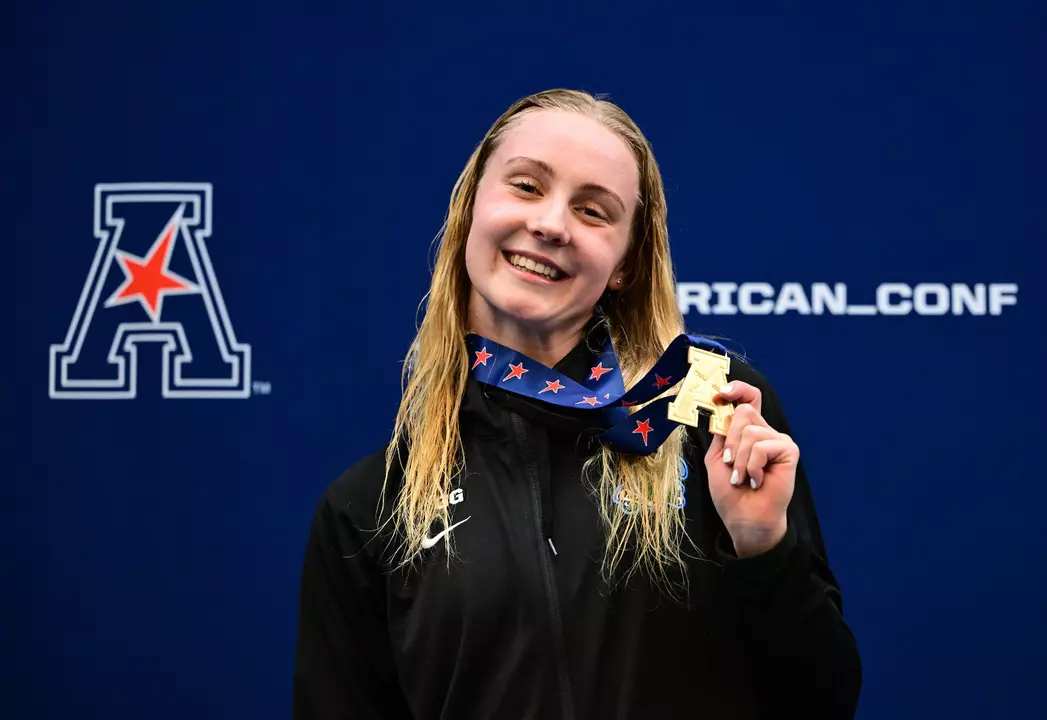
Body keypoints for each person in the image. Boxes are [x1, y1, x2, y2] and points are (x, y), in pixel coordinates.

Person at [291, 88, 862, 719]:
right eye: (527, 186)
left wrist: (764, 550)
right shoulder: (373, 507)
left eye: (594, 211)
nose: (551, 224)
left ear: (623, 263)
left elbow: (824, 703)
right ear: (472, 208)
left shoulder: (708, 412)